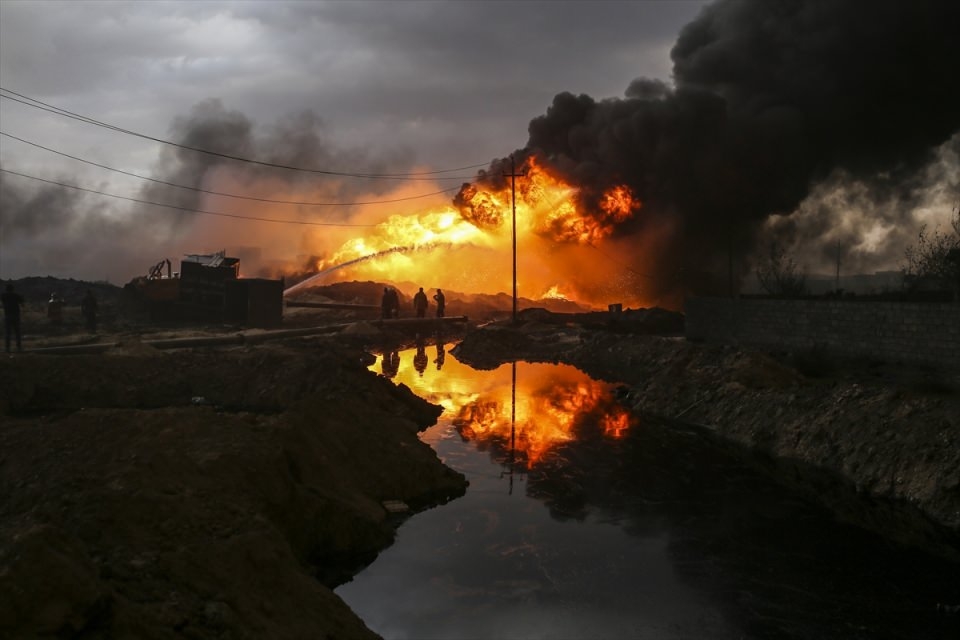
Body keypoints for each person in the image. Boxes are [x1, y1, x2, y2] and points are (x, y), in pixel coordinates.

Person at [2, 283, 25, 353]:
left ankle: (7, 348)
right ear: (13, 289)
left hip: (7, 315)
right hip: (16, 316)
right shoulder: (16, 295)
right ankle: (19, 347)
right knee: (17, 332)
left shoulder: (3, 296)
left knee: (8, 333)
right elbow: (22, 304)